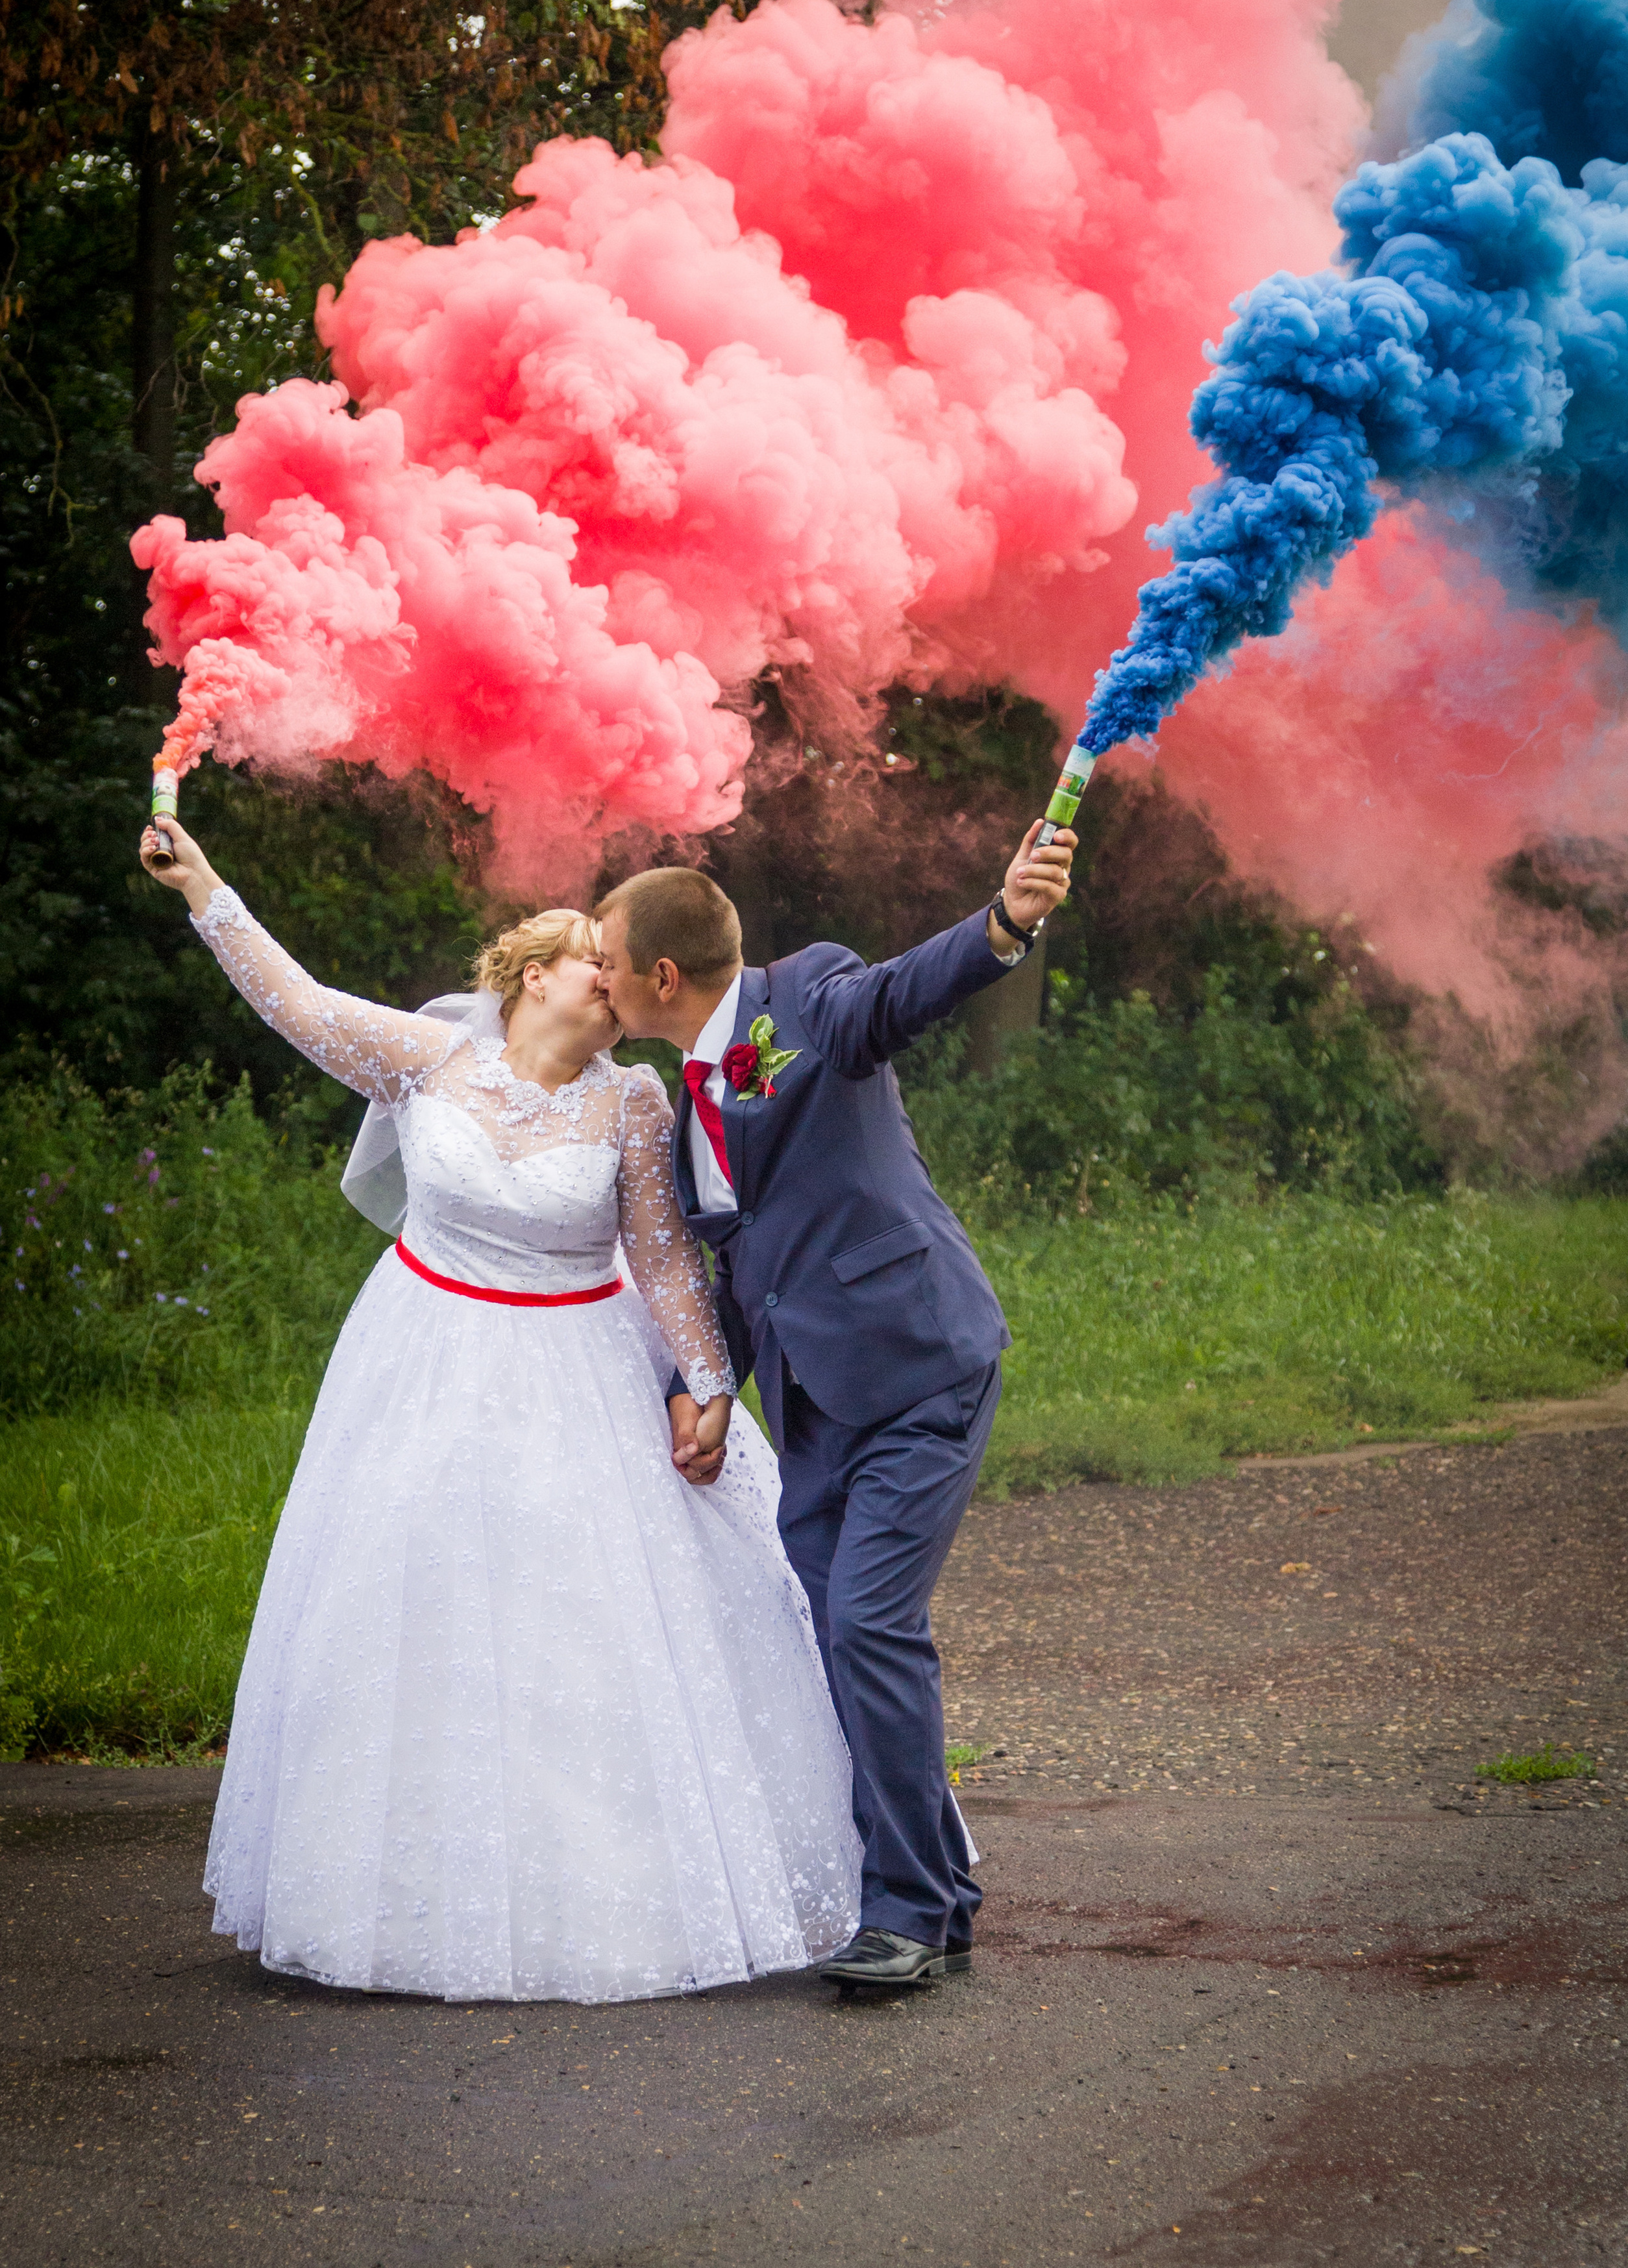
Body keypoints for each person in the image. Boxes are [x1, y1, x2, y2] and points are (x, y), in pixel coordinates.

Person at [138, 815, 861, 2004]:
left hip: (581, 1369)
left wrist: (708, 1386)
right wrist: (203, 885)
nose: (614, 981)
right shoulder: (431, 1059)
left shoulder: (633, 1103)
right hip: (424, 1360)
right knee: (413, 1604)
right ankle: (399, 1896)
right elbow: (297, 1002)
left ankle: (609, 1889)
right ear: (535, 975)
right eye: (593, 962)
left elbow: (665, 1258)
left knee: (584, 1624)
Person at [595, 819, 1076, 1989]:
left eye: (605, 960)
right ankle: (941, 1897)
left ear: (664, 975)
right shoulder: (682, 1100)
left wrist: (1004, 922)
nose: (596, 978)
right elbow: (738, 1264)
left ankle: (901, 1910)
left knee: (869, 1624)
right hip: (812, 1402)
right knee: (837, 1640)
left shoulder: (808, 995)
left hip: (918, 1365)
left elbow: (902, 993)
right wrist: (704, 1386)